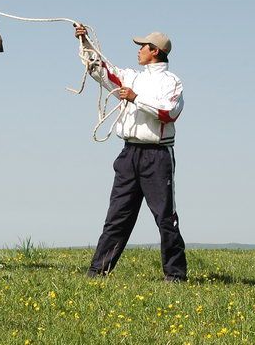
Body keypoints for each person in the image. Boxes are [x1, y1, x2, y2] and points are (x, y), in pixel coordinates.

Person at [75, 24, 187, 282]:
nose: (138, 50)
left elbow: (169, 113)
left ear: (155, 51)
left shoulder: (172, 82)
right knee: (117, 215)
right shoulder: (132, 76)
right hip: (128, 155)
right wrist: (85, 42)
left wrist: (136, 98)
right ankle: (97, 272)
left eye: (142, 47)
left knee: (165, 218)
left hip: (157, 157)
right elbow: (103, 71)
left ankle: (176, 276)